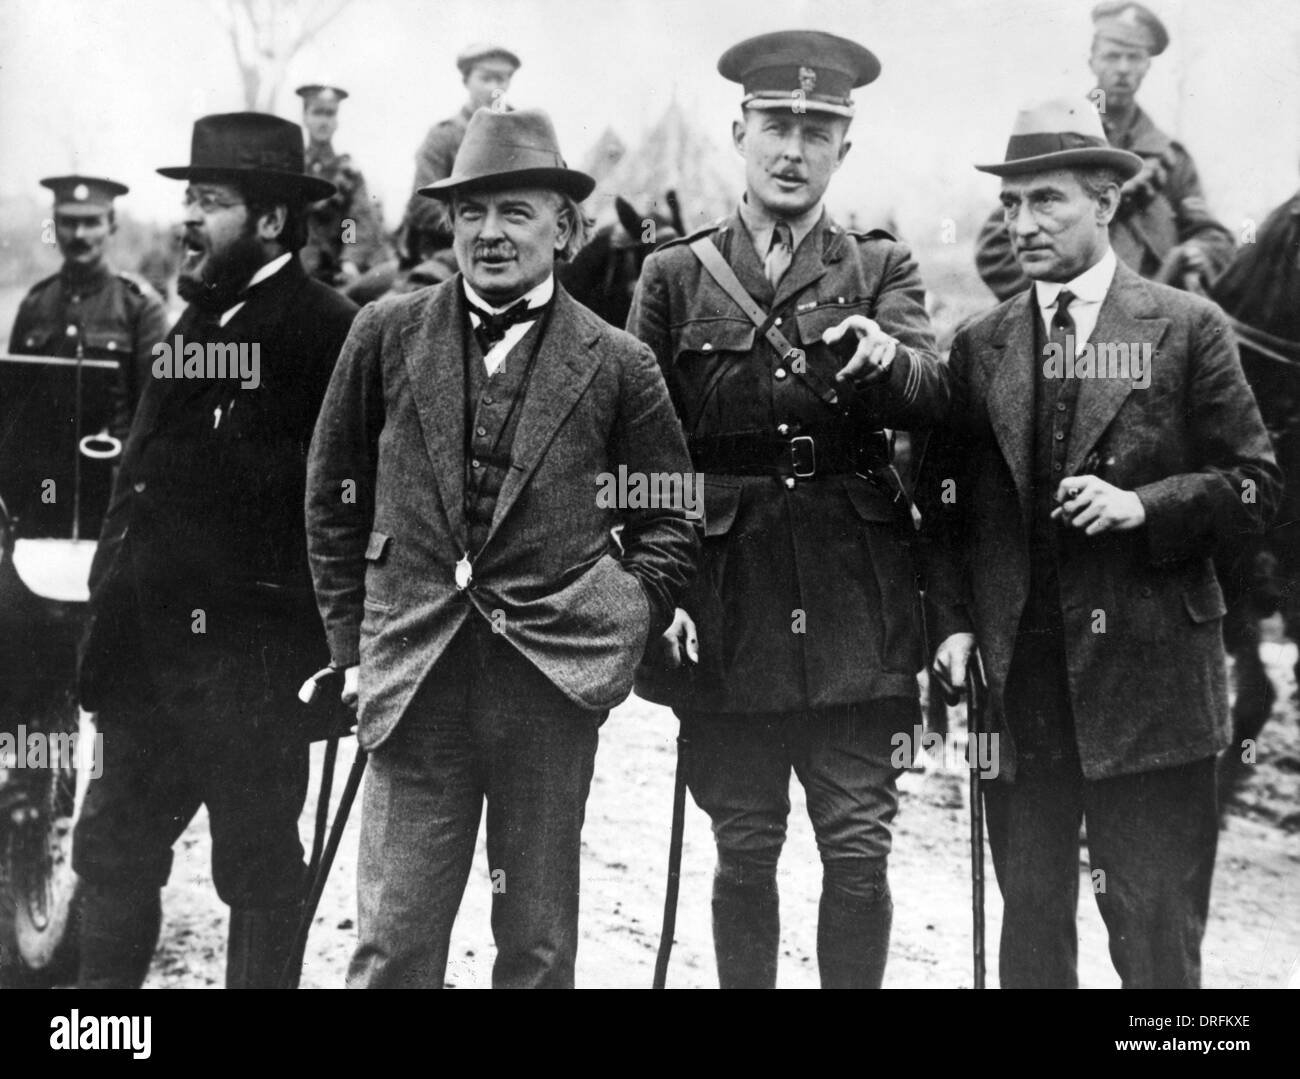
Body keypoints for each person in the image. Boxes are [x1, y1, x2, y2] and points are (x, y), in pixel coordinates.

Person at [306, 107, 698, 989]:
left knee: (537, 946)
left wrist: (628, 612)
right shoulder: (382, 333)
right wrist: (352, 646)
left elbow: (673, 511)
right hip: (414, 679)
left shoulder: (617, 361)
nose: (490, 233)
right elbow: (332, 499)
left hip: (546, 691)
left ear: (563, 228)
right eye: (472, 211)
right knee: (393, 945)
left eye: (516, 211)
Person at [919, 97, 1281, 988]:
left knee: (1156, 948)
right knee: (1032, 941)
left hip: (1154, 691)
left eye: (1048, 201)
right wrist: (955, 624)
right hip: (1024, 692)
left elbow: (1257, 486)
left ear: (1108, 203)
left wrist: (1144, 507)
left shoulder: (1189, 327)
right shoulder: (980, 345)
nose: (1023, 223)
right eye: (1011, 205)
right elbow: (947, 507)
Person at [627, 30, 950, 989]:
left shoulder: (880, 267)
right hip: (726, 596)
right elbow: (643, 448)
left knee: (859, 848)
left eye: (817, 130)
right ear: (740, 131)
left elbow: (937, 394)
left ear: (843, 149)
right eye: (776, 124)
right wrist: (660, 588)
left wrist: (889, 361)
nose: (792, 148)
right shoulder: (673, 276)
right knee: (747, 843)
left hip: (858, 592)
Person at [73, 112, 359, 989]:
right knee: (113, 854)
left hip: (254, 673)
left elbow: (349, 503)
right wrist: (104, 624)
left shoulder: (329, 334)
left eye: (208, 200)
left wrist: (331, 653)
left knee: (262, 870)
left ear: (272, 220)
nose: (186, 219)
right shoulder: (192, 326)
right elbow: (138, 485)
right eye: (186, 198)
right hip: (145, 662)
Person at [974, 2, 1234, 301]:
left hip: (1158, 315)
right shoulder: (1057, 139)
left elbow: (1210, 233)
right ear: (1093, 62)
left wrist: (1200, 250)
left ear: (1146, 66)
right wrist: (1053, 302)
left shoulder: (1170, 157)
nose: (1123, 68)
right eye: (1112, 56)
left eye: (1134, 57)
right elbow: (995, 250)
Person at [9, 176, 168, 445]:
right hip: (43, 471)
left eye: (92, 222)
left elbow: (153, 413)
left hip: (110, 471)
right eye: (69, 223)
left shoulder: (141, 307)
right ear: (54, 226)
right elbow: (14, 403)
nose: (79, 235)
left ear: (112, 225)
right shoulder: (35, 304)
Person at [399, 43, 521, 270]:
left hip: (517, 248)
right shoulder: (444, 137)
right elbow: (422, 205)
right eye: (486, 79)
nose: (495, 89)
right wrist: (478, 228)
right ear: (466, 82)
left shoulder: (525, 135)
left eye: (502, 80)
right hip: (449, 251)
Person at [296, 84, 390, 286]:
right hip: (298, 266)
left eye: (330, 114)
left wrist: (350, 260)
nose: (324, 122)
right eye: (317, 113)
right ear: (305, 117)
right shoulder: (294, 167)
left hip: (335, 269)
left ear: (336, 121)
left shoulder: (348, 172)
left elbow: (354, 221)